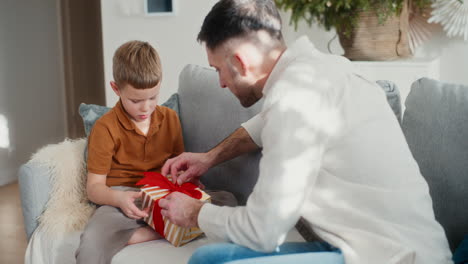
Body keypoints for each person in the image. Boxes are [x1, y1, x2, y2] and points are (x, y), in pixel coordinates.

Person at [158, 0, 453, 264]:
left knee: (208, 262)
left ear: (240, 62)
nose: (221, 82)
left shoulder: (292, 102)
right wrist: (209, 158)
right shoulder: (323, 68)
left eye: (218, 69)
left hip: (390, 256)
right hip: (383, 243)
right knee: (211, 256)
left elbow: (263, 231)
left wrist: (195, 213)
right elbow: (265, 124)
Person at [75, 40, 183, 263]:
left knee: (226, 200)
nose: (145, 108)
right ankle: (150, 233)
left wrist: (186, 184)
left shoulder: (170, 118)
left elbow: (178, 167)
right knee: (91, 243)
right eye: (136, 100)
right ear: (116, 89)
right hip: (122, 199)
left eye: (152, 97)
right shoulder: (105, 128)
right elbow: (94, 188)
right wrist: (119, 198)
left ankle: (144, 233)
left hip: (161, 194)